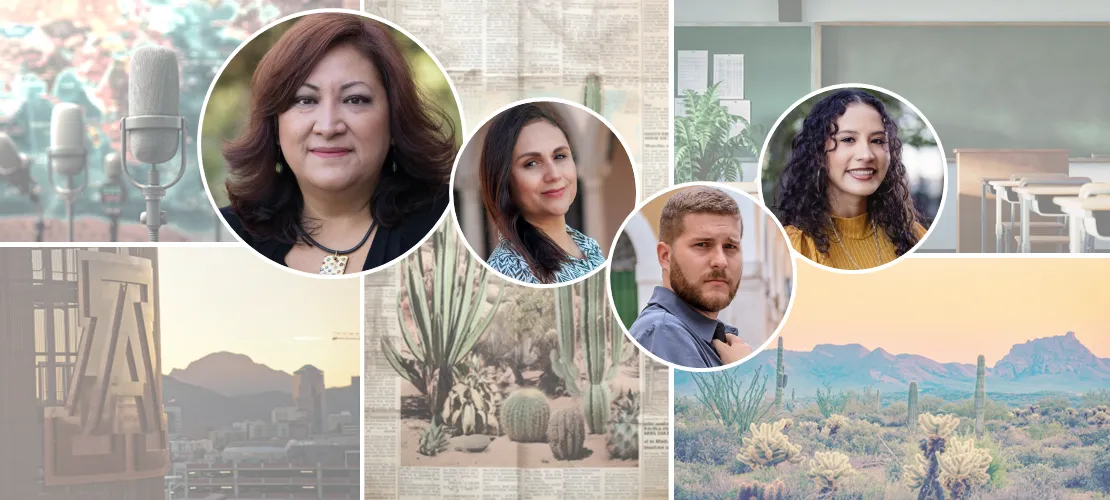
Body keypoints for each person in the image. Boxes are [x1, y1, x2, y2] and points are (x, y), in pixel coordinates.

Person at [220, 13, 456, 275]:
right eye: (305, 100)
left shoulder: (452, 222)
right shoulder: (224, 235)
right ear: (275, 126)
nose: (328, 127)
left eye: (354, 100)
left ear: (394, 120)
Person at [773, 89, 927, 270]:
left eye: (877, 141)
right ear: (818, 153)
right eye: (848, 139)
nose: (866, 155)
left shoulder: (914, 236)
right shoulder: (797, 245)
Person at [479, 103, 605, 284]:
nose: (554, 175)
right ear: (505, 179)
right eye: (531, 163)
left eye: (559, 156)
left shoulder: (589, 247)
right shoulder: (508, 269)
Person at [628, 186, 752, 369]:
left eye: (730, 247)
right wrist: (743, 370)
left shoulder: (710, 337)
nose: (721, 261)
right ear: (665, 256)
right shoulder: (664, 332)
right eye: (702, 244)